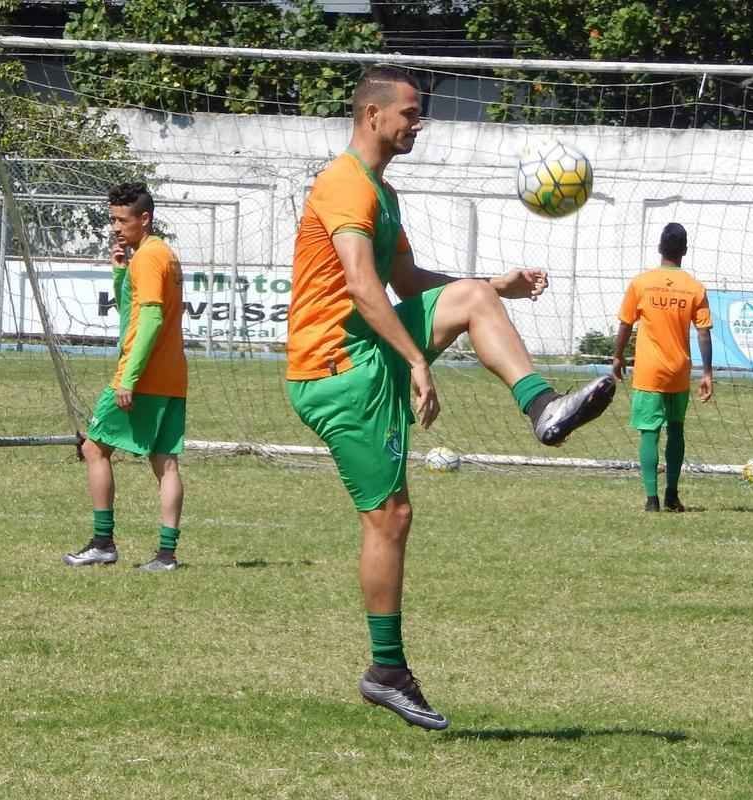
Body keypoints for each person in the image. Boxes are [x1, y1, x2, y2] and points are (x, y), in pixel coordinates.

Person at [286, 65, 615, 730]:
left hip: (365, 352)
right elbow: (361, 284)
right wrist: (416, 360)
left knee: (473, 297)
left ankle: (542, 407)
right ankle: (386, 671)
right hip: (336, 368)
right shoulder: (344, 183)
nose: (419, 122)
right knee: (388, 518)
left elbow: (406, 279)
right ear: (373, 115)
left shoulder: (381, 191)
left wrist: (495, 284)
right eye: (410, 113)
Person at [63, 182, 188, 572]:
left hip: (144, 376)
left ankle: (103, 543)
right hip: (172, 376)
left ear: (144, 219)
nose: (115, 228)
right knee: (166, 463)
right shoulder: (163, 255)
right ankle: (166, 555)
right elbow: (133, 311)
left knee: (94, 448)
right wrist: (120, 273)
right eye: (112, 220)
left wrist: (129, 378)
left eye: (122, 220)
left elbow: (150, 319)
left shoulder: (148, 258)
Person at [612, 222, 713, 513]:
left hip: (649, 371)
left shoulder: (641, 283)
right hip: (678, 371)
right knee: (676, 430)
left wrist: (617, 357)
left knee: (649, 432)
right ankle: (672, 495)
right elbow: (703, 332)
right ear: (685, 250)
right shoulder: (694, 287)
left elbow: (625, 324)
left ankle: (651, 499)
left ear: (659, 248)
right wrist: (707, 372)